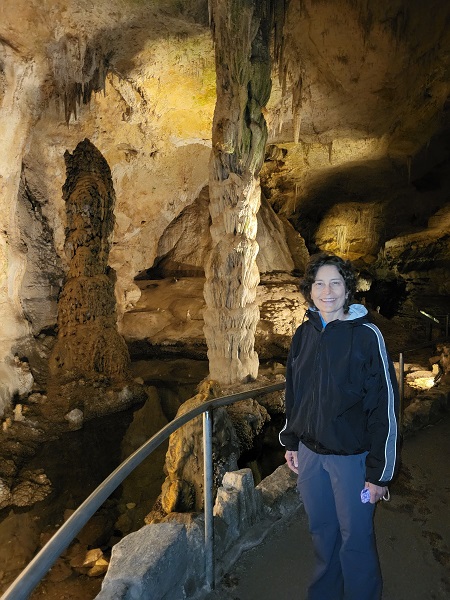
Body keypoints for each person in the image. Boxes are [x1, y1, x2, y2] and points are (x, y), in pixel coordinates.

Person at [280, 252, 399, 600]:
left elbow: (384, 406)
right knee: (322, 532)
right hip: (310, 454)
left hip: (351, 458)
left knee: (356, 538)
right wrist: (290, 441)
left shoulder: (366, 335)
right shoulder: (305, 333)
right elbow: (295, 391)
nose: (327, 291)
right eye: (319, 283)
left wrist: (379, 473)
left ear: (348, 289)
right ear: (310, 289)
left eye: (335, 283)